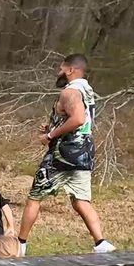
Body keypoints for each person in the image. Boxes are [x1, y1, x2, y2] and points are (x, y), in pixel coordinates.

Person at [17, 54, 115, 255]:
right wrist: (53, 124)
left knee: (35, 197)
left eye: (61, 68)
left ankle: (21, 243)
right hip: (84, 151)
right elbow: (81, 120)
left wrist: (51, 134)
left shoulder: (70, 92)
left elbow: (78, 119)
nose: (59, 72)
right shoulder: (87, 91)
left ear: (71, 70)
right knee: (81, 200)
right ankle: (101, 242)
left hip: (64, 153)